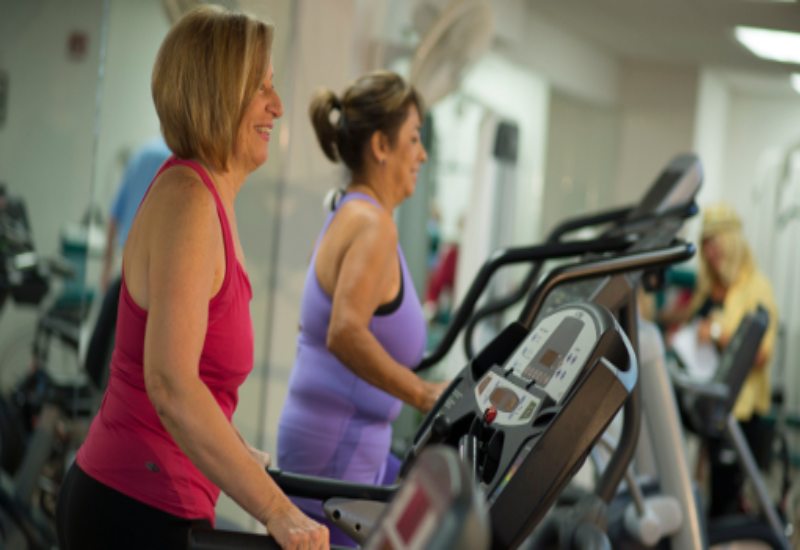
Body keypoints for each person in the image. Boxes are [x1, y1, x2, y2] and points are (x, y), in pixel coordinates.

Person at [55, 6, 328, 549]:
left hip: (158, 499)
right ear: (218, 93)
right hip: (131, 508)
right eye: (261, 89)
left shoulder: (208, 200)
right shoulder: (189, 201)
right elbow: (171, 384)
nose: (277, 106)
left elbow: (193, 382)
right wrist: (276, 510)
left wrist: (230, 447)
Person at [276, 71, 450, 546]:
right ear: (380, 146)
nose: (422, 154)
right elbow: (344, 332)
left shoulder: (345, 210)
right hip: (337, 457)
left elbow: (312, 328)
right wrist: (424, 395)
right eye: (413, 139)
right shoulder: (374, 227)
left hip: (330, 443)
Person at [679, 203, 778, 517]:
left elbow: (761, 354)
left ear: (731, 241)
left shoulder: (755, 288)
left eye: (714, 243)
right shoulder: (711, 286)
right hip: (711, 401)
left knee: (725, 498)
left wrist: (719, 332)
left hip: (740, 410)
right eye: (704, 245)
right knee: (708, 492)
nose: (708, 252)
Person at [100, 135, 172, 292]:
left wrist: (106, 267)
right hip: (157, 267)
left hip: (127, 260)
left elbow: (114, 217)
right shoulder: (176, 164)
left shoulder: (140, 155)